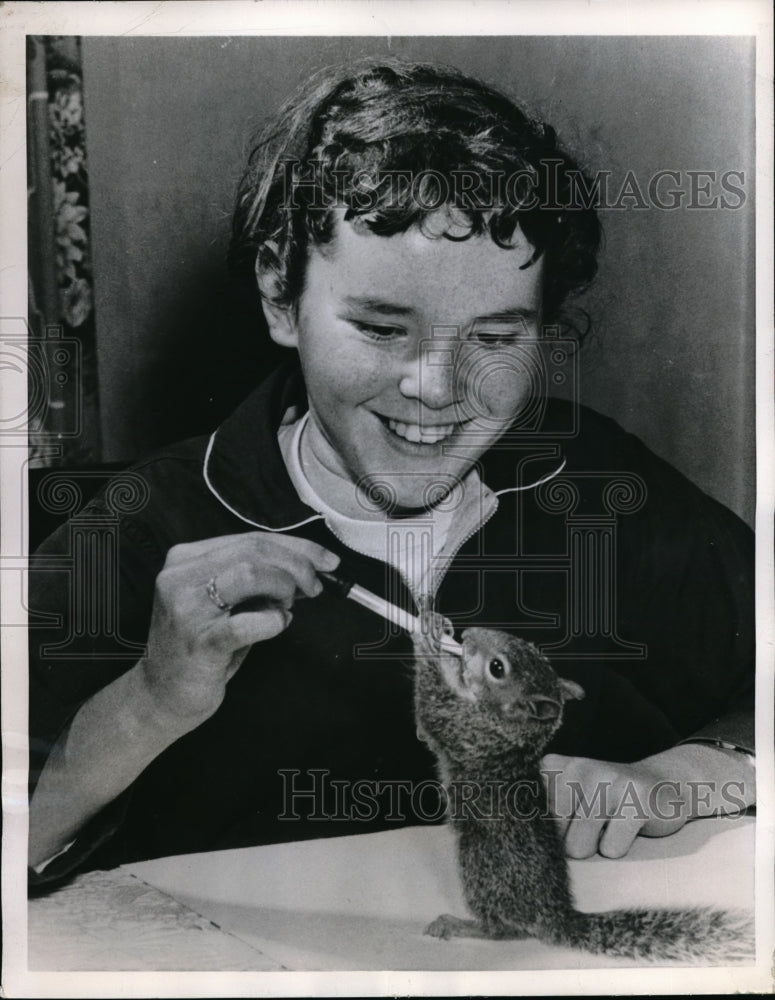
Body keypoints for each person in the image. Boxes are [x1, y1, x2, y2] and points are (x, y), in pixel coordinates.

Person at [28, 59, 755, 887]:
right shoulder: (136, 530)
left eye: (493, 338)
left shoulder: (595, 483)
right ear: (279, 293)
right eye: (380, 327)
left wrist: (679, 780)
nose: (438, 391)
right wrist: (149, 702)